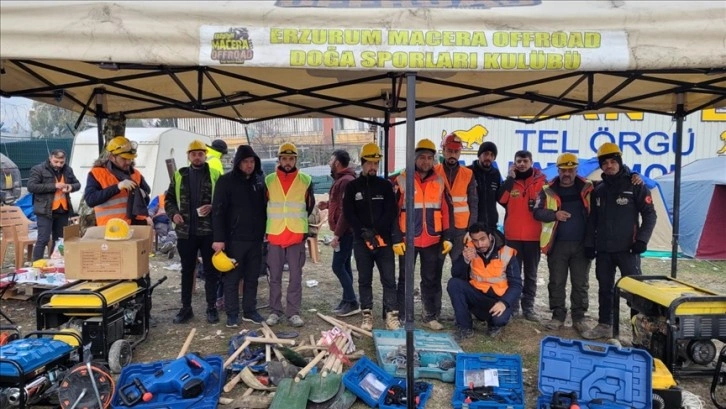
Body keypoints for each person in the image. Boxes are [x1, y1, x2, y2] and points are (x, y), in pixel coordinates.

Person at [581, 143, 657, 340]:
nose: (609, 166)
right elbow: (592, 219)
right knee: (605, 288)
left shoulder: (635, 185)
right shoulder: (599, 189)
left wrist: (642, 240)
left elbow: (650, 215)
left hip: (629, 250)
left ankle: (639, 332)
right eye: (605, 163)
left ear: (619, 162)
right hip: (604, 250)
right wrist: (589, 243)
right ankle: (604, 325)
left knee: (635, 291)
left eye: (613, 161)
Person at [392, 138, 453, 331]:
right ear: (414, 158)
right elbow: (393, 212)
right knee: (405, 279)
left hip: (432, 239)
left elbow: (447, 210)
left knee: (430, 279)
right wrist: (396, 238)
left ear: (434, 159)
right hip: (407, 240)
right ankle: (402, 315)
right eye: (422, 157)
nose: (426, 161)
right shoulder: (401, 179)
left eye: (429, 157)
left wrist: (448, 237)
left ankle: (430, 316)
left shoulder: (440, 181)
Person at [533, 153, 593, 335]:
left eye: (571, 170)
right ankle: (558, 315)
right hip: (557, 244)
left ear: (576, 169)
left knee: (580, 283)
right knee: (557, 281)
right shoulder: (547, 189)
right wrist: (554, 215)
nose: (567, 173)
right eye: (563, 170)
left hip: (582, 245)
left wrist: (632, 174)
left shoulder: (589, 187)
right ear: (558, 170)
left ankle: (579, 318)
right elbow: (536, 212)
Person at [343, 143, 400, 331]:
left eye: (376, 163)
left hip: (383, 240)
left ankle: (391, 314)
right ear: (362, 163)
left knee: (389, 279)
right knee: (364, 279)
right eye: (369, 163)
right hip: (361, 241)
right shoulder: (352, 187)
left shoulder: (385, 186)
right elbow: (349, 213)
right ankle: (366, 314)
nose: (373, 167)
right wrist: (363, 232)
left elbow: (391, 211)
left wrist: (376, 232)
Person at [165, 140, 222, 324]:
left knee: (211, 271)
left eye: (200, 154)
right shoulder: (179, 175)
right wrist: (174, 214)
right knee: (187, 271)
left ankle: (211, 307)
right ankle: (186, 308)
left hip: (208, 232)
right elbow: (169, 199)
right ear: (188, 156)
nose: (197, 157)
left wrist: (212, 206)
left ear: (205, 156)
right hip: (186, 232)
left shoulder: (215, 175)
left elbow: (224, 200)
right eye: (194, 154)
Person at [212, 145, 267, 327]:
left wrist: (265, 231)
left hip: (256, 238)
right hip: (234, 238)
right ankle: (232, 313)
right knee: (232, 278)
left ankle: (250, 310)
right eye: (245, 162)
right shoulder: (225, 181)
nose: (249, 165)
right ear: (238, 163)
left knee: (252, 277)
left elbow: (265, 209)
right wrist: (218, 239)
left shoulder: (259, 182)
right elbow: (218, 212)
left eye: (252, 162)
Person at [264, 142, 315, 328]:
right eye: (284, 158)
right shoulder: (268, 181)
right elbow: (263, 206)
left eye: (291, 158)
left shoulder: (306, 180)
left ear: (296, 160)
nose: (287, 162)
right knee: (274, 276)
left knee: (295, 277)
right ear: (279, 160)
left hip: (295, 235)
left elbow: (309, 206)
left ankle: (293, 312)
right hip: (275, 235)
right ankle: (275, 311)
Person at [447, 223, 521, 340]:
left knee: (499, 320)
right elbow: (456, 274)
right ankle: (465, 327)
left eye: (482, 239)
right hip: (476, 296)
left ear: (490, 237)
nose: (479, 244)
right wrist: (464, 260)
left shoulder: (506, 252)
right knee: (454, 284)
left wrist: (504, 303)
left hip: (498, 299)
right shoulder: (469, 249)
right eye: (475, 240)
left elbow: (516, 285)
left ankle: (495, 324)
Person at [497, 150, 546, 321]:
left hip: (534, 236)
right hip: (513, 237)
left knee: (531, 274)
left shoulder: (542, 182)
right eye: (519, 161)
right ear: (514, 163)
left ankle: (528, 307)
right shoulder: (510, 182)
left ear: (531, 162)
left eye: (525, 161)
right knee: (513, 274)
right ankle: (513, 306)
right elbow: (501, 199)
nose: (522, 164)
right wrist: (510, 179)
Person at [318, 149, 360, 317]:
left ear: (336, 163)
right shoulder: (341, 180)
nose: (329, 163)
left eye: (330, 160)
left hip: (346, 232)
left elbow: (346, 211)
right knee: (345, 265)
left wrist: (337, 235)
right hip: (345, 231)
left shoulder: (346, 181)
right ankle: (347, 299)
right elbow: (339, 203)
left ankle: (352, 301)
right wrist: (327, 205)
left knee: (337, 266)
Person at [27, 149, 81, 260]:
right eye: (56, 161)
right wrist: (54, 186)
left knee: (59, 240)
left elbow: (77, 184)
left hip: (63, 210)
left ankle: (55, 263)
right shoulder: (38, 169)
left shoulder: (68, 170)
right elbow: (31, 187)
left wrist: (71, 187)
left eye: (61, 162)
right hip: (45, 210)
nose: (59, 165)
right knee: (43, 239)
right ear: (50, 158)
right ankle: (36, 264)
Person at [85, 136, 151, 226]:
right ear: (112, 157)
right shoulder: (97, 174)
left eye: (130, 158)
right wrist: (117, 187)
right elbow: (90, 200)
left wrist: (143, 194)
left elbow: (146, 197)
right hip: (111, 228)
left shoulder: (135, 173)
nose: (128, 162)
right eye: (124, 158)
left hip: (137, 226)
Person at [434, 133, 478, 264]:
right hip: (440, 227)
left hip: (461, 229)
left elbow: (473, 203)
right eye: (449, 150)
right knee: (435, 268)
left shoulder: (468, 174)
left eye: (456, 151)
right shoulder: (434, 171)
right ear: (443, 150)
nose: (453, 154)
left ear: (460, 152)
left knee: (459, 267)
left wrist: (471, 229)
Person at [468, 141, 502, 232]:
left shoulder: (495, 173)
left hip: (491, 224)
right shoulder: (468, 171)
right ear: (479, 155)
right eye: (486, 154)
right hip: (472, 224)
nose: (488, 157)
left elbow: (499, 196)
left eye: (492, 155)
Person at [148, 191, 176, 258]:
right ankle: (168, 246)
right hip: (161, 220)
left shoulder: (176, 200)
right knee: (165, 231)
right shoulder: (159, 198)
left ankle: (167, 246)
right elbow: (151, 209)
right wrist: (149, 217)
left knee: (172, 230)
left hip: (171, 220)